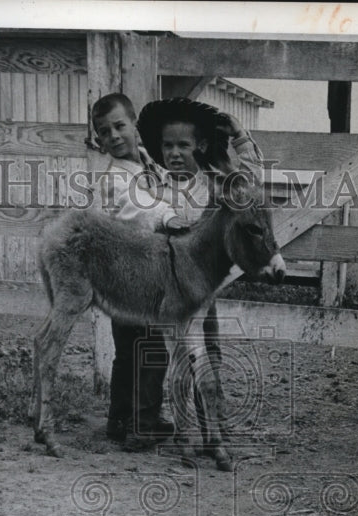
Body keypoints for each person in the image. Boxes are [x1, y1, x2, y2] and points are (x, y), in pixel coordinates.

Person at [136, 97, 264, 448]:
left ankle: (214, 428)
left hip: (201, 291)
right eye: (167, 145)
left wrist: (239, 136)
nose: (174, 153)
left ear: (201, 145)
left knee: (207, 353)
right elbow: (141, 211)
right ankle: (151, 423)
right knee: (157, 354)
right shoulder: (154, 183)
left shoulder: (212, 183)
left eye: (183, 145)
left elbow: (248, 180)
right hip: (163, 288)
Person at [88, 94, 185, 448]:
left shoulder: (148, 166)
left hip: (137, 272)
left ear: (134, 127)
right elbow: (138, 207)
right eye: (104, 132)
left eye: (119, 126)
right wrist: (168, 217)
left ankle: (119, 420)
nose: (113, 136)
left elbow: (163, 189)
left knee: (130, 351)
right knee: (148, 349)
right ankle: (143, 424)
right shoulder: (113, 180)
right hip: (127, 275)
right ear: (98, 141)